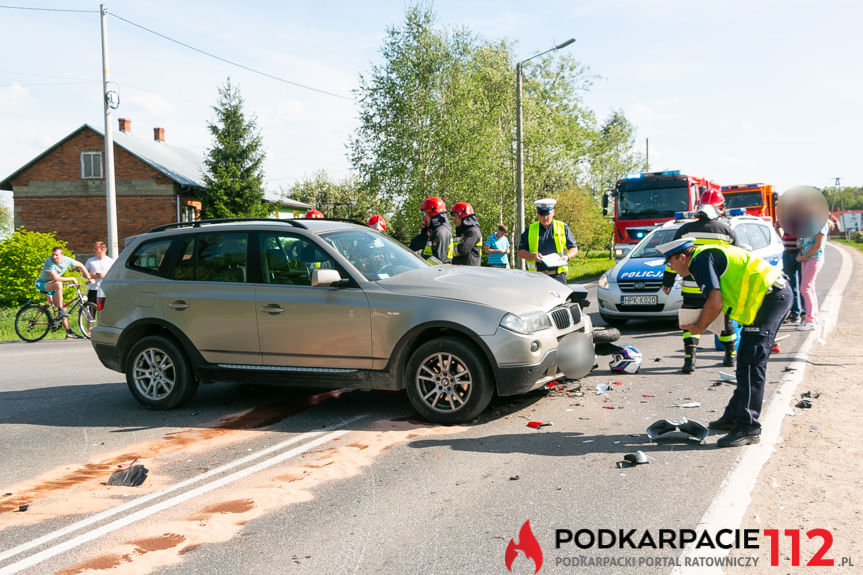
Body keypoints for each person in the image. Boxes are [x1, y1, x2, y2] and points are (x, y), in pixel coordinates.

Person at [658, 238, 791, 447]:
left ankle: (749, 428)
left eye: (670, 263)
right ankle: (733, 417)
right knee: (746, 362)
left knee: (751, 363)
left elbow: (715, 301)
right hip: (767, 299)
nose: (671, 268)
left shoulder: (700, 261)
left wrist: (699, 328)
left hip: (771, 298)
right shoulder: (704, 255)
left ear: (682, 257)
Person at [661, 203, 738, 372]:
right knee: (725, 322)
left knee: (690, 323)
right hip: (718, 289)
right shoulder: (726, 231)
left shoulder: (686, 230)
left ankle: (690, 360)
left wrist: (667, 280)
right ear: (716, 214)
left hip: (691, 287)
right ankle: (730, 356)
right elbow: (733, 260)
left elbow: (673, 258)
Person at [35, 246, 94, 339]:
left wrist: (89, 278)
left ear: (62, 255)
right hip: (42, 283)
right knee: (59, 284)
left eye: (56, 255)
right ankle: (60, 310)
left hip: (53, 284)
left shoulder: (67, 260)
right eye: (53, 255)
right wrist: (72, 278)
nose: (54, 257)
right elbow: (56, 278)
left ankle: (68, 332)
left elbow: (81, 265)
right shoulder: (49, 261)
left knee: (64, 308)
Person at [516, 198, 578, 284]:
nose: (544, 217)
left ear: (553, 212)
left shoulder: (563, 227)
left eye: (547, 214)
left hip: (558, 276)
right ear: (537, 214)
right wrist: (533, 256)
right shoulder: (530, 229)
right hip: (536, 276)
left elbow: (574, 248)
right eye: (541, 215)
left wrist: (567, 257)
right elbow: (520, 252)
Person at [795, 221, 828, 331]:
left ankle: (811, 320)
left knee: (805, 288)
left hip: (814, 258)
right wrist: (801, 254)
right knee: (810, 288)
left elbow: (818, 244)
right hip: (807, 258)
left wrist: (804, 256)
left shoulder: (820, 224)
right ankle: (813, 317)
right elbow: (802, 243)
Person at [775, 224, 805, 323]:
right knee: (791, 286)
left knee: (803, 286)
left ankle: (805, 313)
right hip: (788, 252)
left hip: (800, 253)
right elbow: (779, 230)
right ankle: (794, 313)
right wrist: (780, 233)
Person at [418, 196, 453, 264]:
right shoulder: (438, 231)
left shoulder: (440, 233)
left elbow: (438, 262)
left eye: (425, 213)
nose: (424, 217)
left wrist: (421, 264)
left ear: (432, 213)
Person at [450, 202, 482, 266]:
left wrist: (445, 251)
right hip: (460, 268)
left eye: (455, 217)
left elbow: (463, 250)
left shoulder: (473, 231)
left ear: (462, 217)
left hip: (469, 270)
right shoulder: (462, 231)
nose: (454, 220)